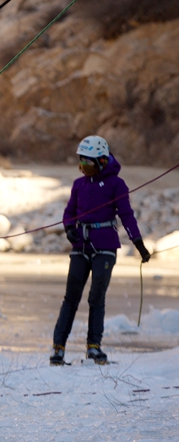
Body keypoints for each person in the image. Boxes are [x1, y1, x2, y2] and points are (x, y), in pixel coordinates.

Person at [50, 136, 150, 366]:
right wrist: (68, 228)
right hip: (80, 247)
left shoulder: (117, 185)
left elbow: (127, 215)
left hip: (104, 248)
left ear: (102, 161)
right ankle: (58, 347)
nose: (84, 168)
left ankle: (94, 347)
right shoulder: (78, 185)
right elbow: (69, 212)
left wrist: (139, 243)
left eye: (89, 164)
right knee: (71, 298)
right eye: (81, 163)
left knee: (96, 297)